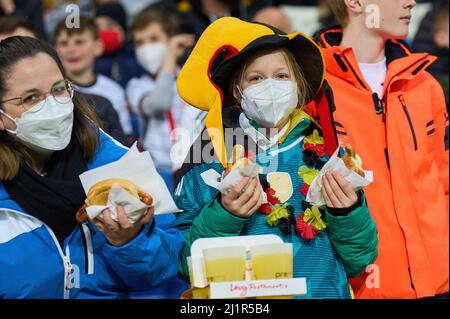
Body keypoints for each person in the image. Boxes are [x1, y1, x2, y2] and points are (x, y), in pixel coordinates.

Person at [174, 17, 378, 299]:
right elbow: (184, 263)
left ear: (297, 88)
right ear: (237, 91)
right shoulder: (208, 157)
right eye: (256, 78)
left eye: (282, 76)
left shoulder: (331, 154)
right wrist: (226, 214)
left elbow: (360, 260)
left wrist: (347, 211)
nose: (270, 86)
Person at [0, 36, 183, 298]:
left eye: (58, 89)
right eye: (31, 98)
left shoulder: (117, 163)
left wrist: (129, 242)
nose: (52, 105)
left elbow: (163, 268)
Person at [315, 0, 449, 298]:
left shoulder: (424, 84)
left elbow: (444, 180)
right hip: (362, 286)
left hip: (440, 282)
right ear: (355, 2)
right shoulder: (313, 87)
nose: (411, 2)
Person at [126, 8, 200, 191]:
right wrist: (169, 58)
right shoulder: (137, 85)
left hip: (194, 165)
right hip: (158, 171)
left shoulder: (189, 76)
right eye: (139, 42)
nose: (146, 47)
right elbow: (159, 103)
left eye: (153, 39)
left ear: (170, 39)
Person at [54, 16, 133, 140]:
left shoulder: (114, 90)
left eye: (79, 42)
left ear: (98, 47)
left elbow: (123, 138)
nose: (71, 49)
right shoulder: (54, 91)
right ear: (56, 51)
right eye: (64, 43)